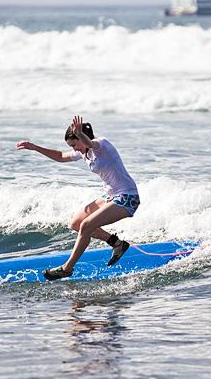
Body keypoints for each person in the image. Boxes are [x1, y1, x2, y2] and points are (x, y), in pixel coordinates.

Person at [16, 115, 139, 280]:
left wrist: (81, 134)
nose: (74, 149)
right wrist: (35, 147)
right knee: (76, 223)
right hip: (111, 195)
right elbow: (60, 156)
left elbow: (90, 143)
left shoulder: (102, 145)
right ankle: (117, 244)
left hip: (127, 196)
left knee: (86, 225)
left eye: (74, 144)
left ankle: (67, 268)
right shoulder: (84, 153)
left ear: (82, 138)